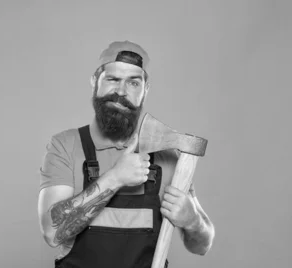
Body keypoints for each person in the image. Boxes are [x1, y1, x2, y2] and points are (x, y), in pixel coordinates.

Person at [37, 40, 215, 268]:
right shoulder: (66, 145)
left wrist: (193, 221)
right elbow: (52, 233)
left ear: (145, 90)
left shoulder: (167, 157)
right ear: (95, 81)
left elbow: (202, 245)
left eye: (133, 82)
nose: (121, 92)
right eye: (113, 79)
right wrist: (116, 178)